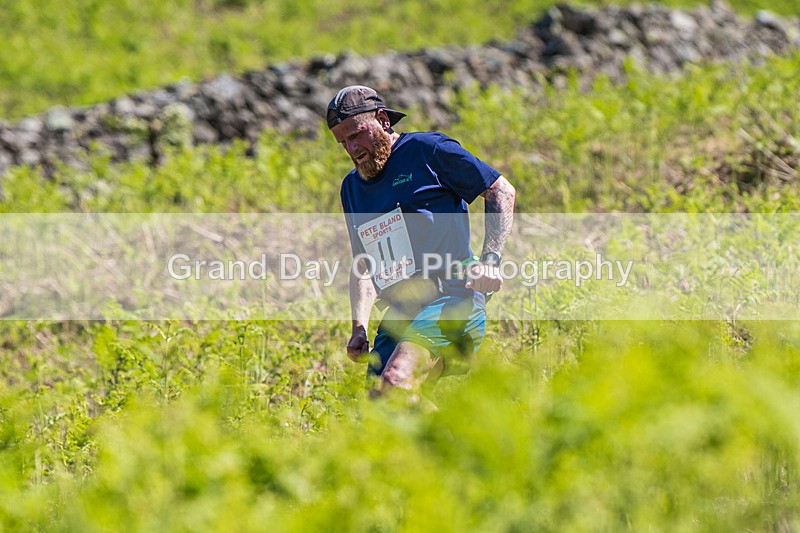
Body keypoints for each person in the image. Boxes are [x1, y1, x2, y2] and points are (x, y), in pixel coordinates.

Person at [327, 85, 515, 397]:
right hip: (401, 313)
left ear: (384, 120)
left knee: (396, 380)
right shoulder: (352, 188)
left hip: (453, 298)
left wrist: (491, 262)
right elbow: (366, 264)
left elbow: (500, 190)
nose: (352, 147)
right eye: (342, 141)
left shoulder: (428, 151)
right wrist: (359, 326)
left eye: (357, 134)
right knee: (381, 406)